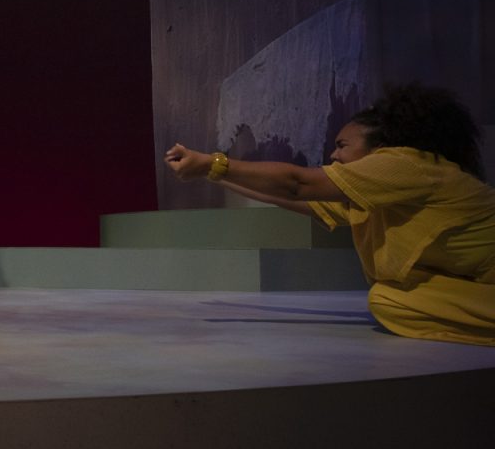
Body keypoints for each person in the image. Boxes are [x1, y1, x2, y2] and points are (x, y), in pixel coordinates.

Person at [164, 83, 495, 346]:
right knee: (389, 299)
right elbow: (288, 198)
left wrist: (214, 163)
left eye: (343, 145)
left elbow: (296, 184)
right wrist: (211, 173)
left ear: (380, 148)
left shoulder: (404, 165)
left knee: (389, 300)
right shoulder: (381, 195)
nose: (333, 155)